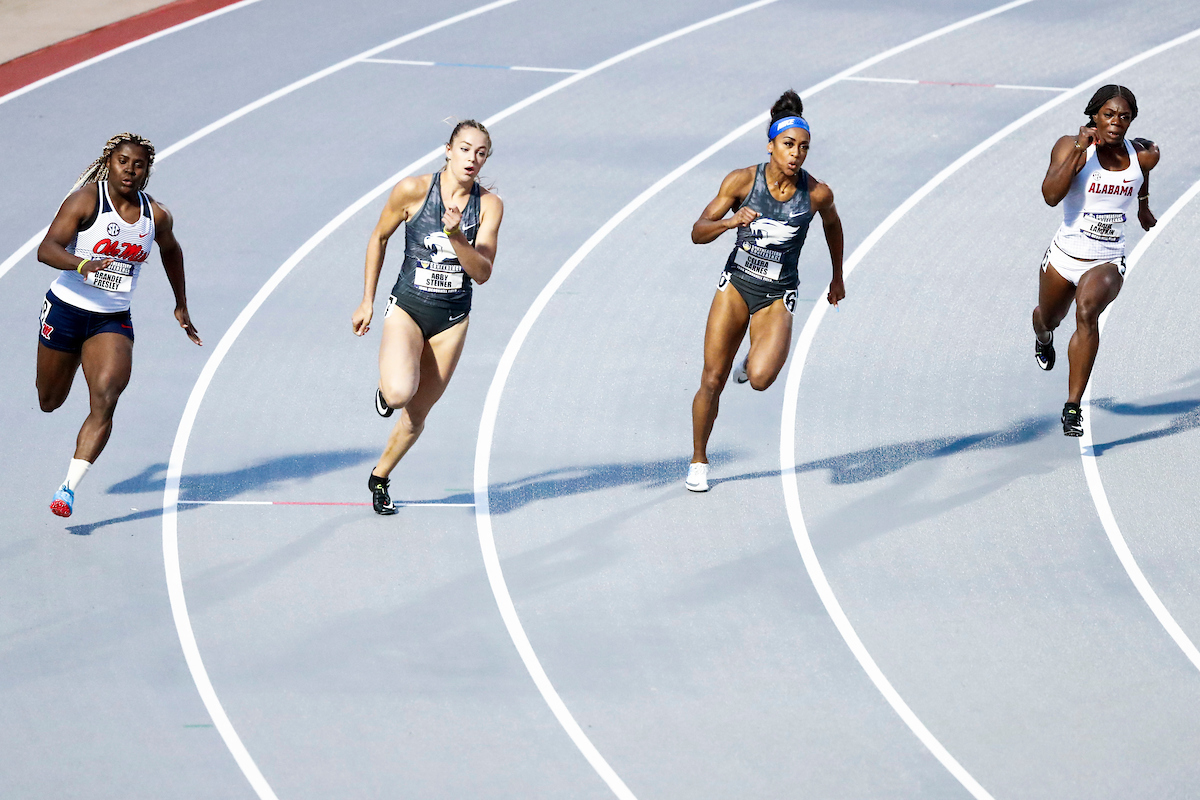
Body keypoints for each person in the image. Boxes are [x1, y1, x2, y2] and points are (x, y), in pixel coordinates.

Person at [686, 90, 845, 492]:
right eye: (789, 145)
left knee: (759, 378)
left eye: (804, 147)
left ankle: (752, 356)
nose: (796, 154)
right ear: (771, 145)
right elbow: (697, 232)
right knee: (712, 379)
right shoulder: (742, 181)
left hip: (777, 295)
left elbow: (832, 225)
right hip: (737, 286)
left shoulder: (817, 193)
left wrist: (837, 277)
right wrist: (729, 222)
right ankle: (699, 460)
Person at [37, 132, 202, 517]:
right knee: (49, 401)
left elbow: (171, 250)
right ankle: (67, 368)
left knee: (107, 396)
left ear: (147, 171)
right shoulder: (86, 201)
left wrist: (181, 303)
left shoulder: (155, 216)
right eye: (123, 161)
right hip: (65, 310)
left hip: (111, 320)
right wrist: (82, 264)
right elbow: (47, 249)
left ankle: (67, 489)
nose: (130, 170)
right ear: (109, 163)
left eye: (138, 165)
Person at [352, 120, 503, 514]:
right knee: (399, 394)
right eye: (465, 149)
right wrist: (367, 301)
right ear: (448, 150)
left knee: (416, 415)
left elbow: (482, 272)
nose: (471, 158)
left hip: (451, 320)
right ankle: (387, 389)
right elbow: (379, 237)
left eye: (480, 153)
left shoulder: (489, 206)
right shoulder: (413, 190)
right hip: (409, 308)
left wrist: (456, 236)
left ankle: (380, 477)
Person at [1033, 85, 1158, 436]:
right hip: (1064, 256)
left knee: (1087, 312)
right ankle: (1043, 337)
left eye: (1124, 117)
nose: (1116, 122)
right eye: (1109, 115)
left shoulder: (1144, 154)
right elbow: (1051, 196)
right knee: (1048, 318)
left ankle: (1072, 407)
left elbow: (1141, 174)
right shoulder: (1069, 146)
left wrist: (1143, 205)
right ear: (1094, 116)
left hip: (1106, 261)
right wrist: (1079, 147)